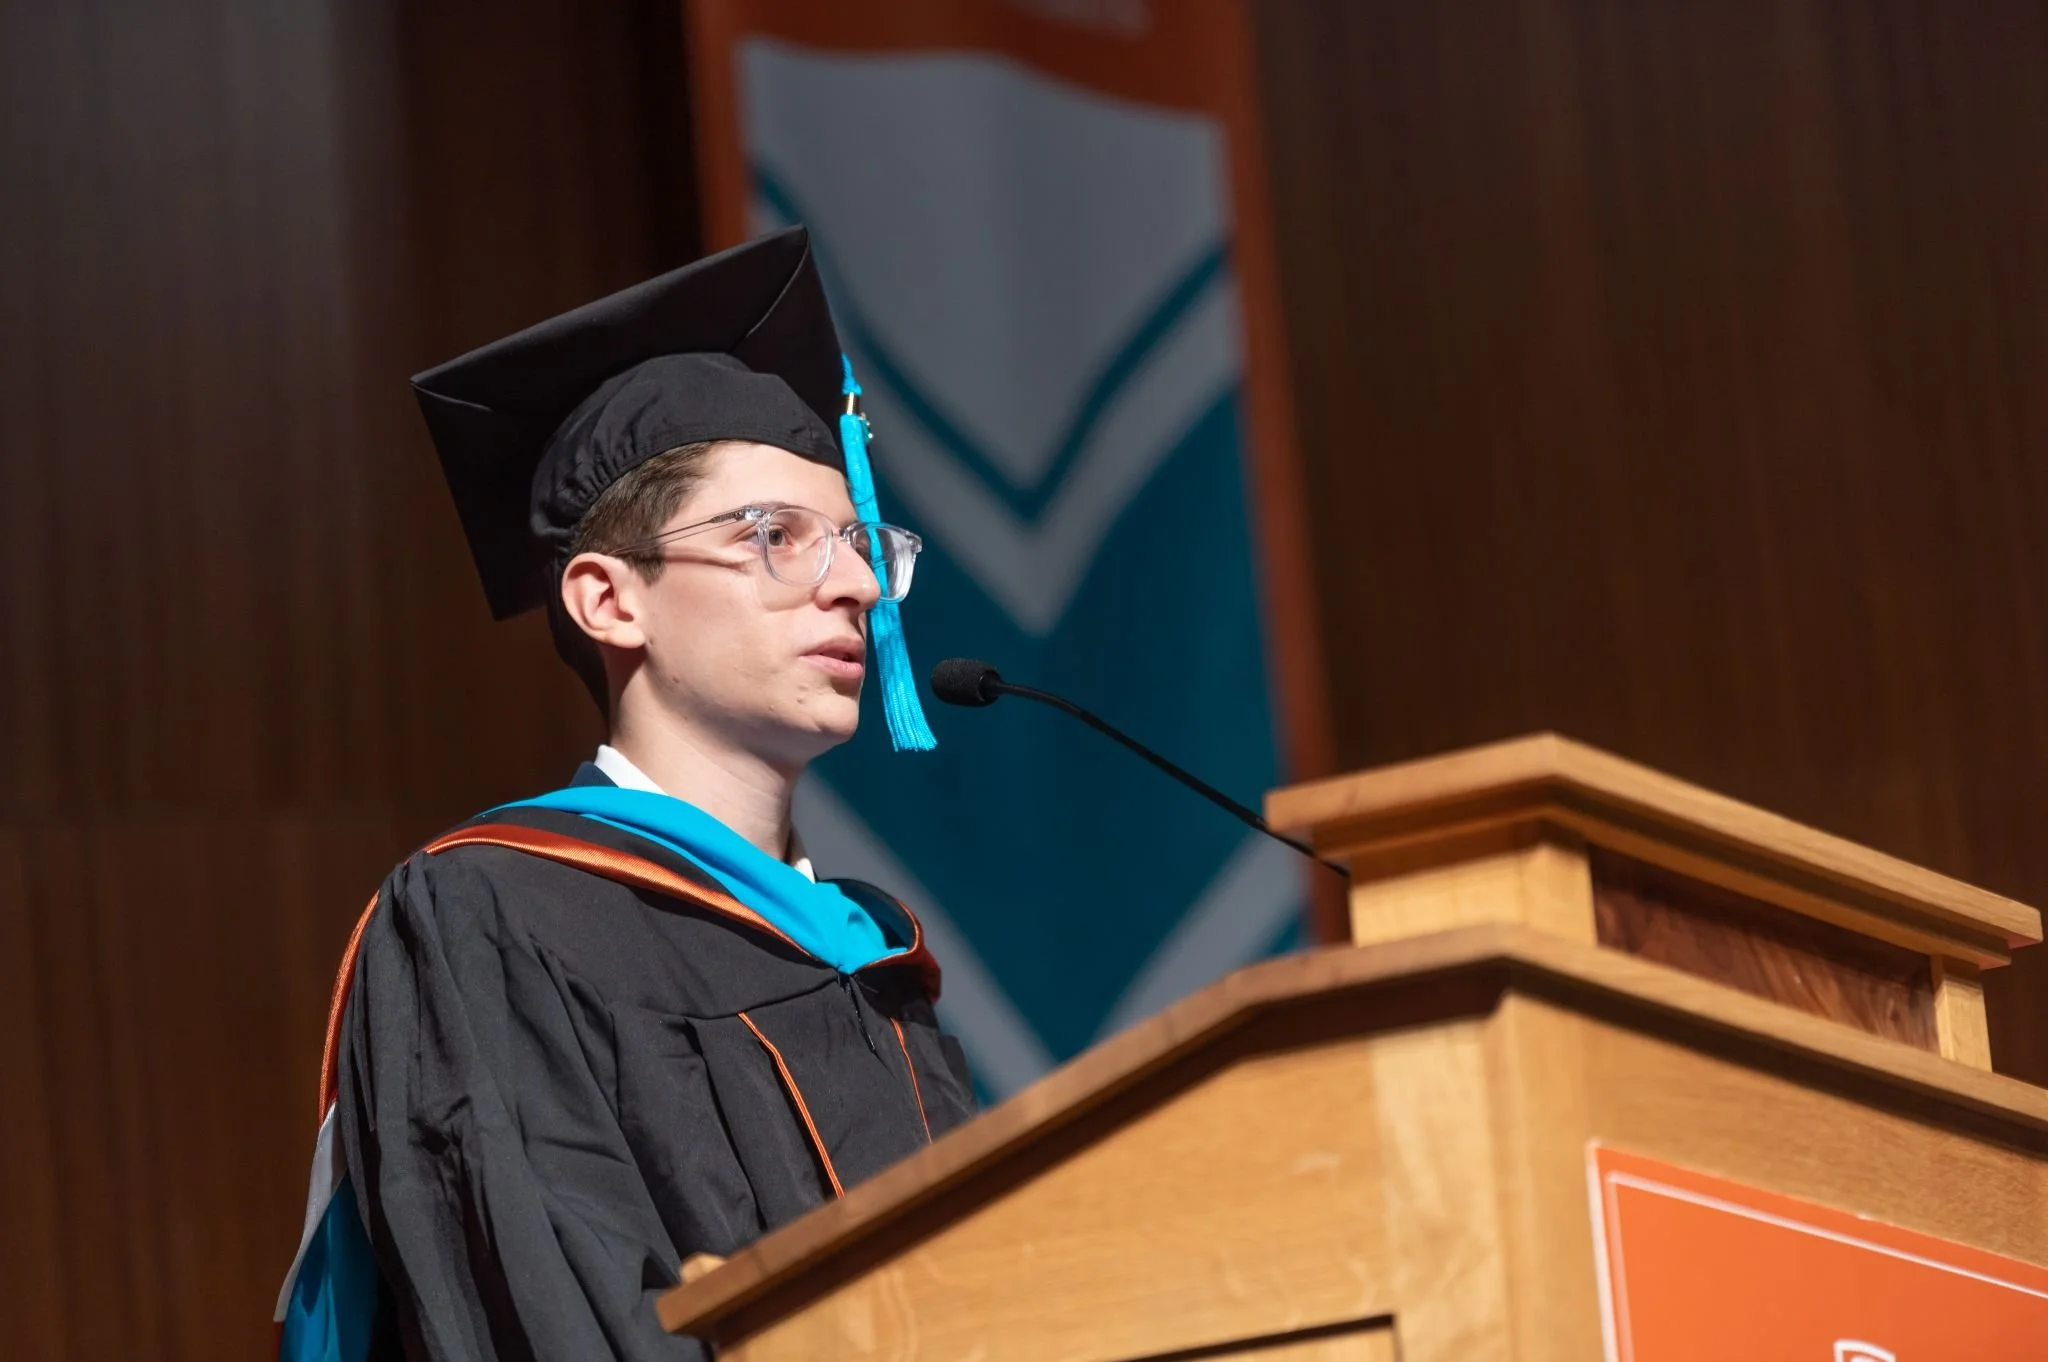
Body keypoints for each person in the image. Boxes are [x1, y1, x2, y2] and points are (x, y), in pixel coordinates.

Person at [273, 227, 976, 1362]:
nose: (852, 585)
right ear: (608, 602)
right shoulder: (491, 918)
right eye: (775, 538)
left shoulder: (864, 955)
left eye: (856, 541)